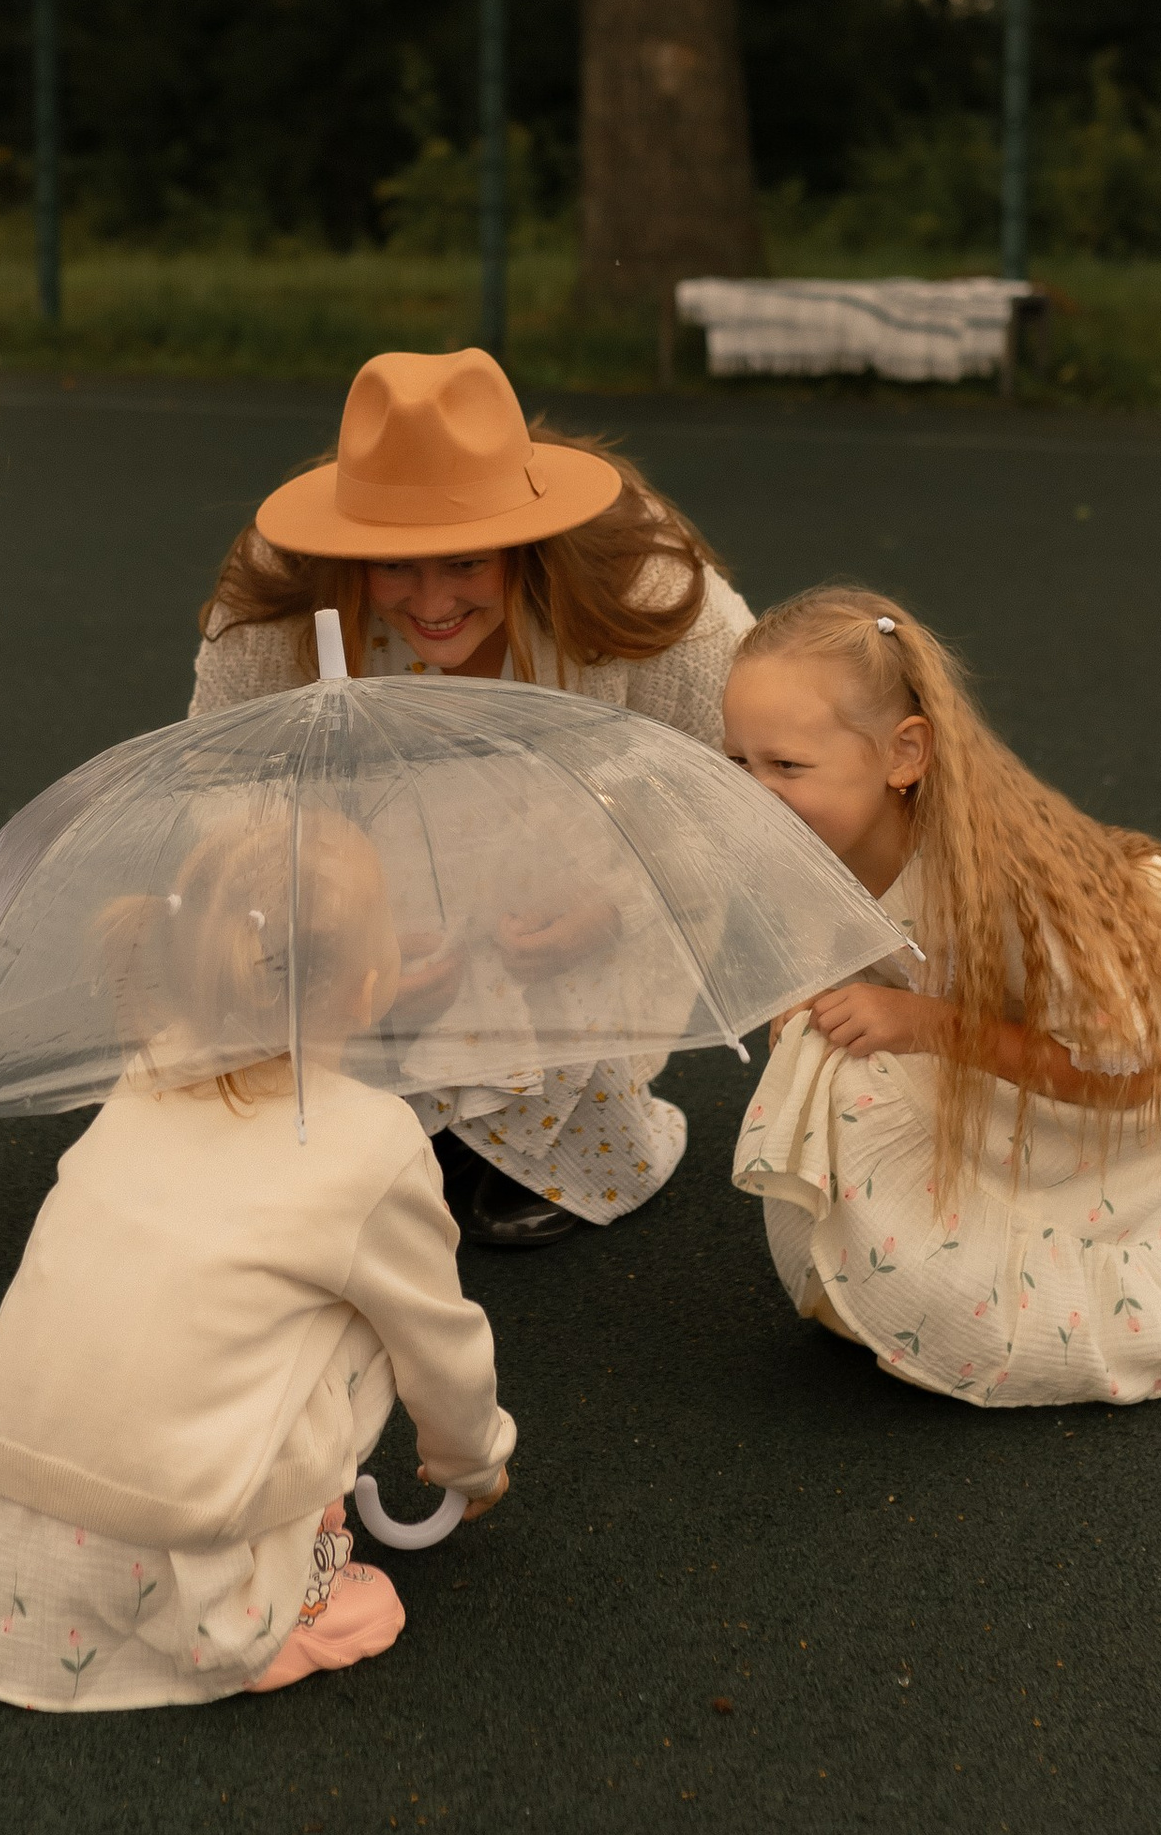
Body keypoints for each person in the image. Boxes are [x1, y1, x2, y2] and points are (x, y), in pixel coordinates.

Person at [0, 807, 514, 1710]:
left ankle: (125, 1597)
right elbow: (441, 1342)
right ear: (374, 986)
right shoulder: (375, 1139)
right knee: (377, 1316)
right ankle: (275, 1594)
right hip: (187, 1510)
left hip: (11, 1474)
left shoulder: (146, 1068)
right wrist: (472, 1462)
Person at [190, 348, 752, 1248]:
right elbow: (224, 793)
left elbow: (735, 779)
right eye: (392, 567)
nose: (432, 603)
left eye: (464, 563)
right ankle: (413, 1101)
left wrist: (615, 905)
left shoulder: (642, 587)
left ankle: (553, 1115)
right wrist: (335, 942)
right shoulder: (277, 592)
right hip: (375, 895)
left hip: (576, 879)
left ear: (524, 545)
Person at [722, 586, 1161, 1406]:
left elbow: (1127, 1076)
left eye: (786, 765)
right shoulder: (818, 841)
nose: (753, 792)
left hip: (1120, 1066)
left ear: (904, 755)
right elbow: (865, 956)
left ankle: (1044, 1305)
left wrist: (928, 1024)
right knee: (832, 1058)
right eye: (736, 763)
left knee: (863, 1075)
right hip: (996, 1024)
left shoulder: (1012, 888)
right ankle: (901, 1276)